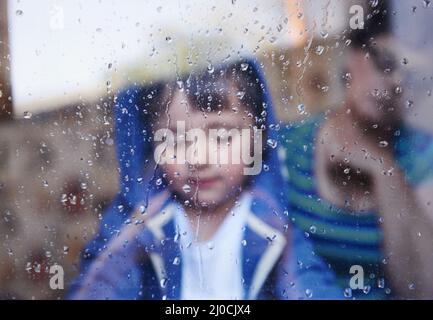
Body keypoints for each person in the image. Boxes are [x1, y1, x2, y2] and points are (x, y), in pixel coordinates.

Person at [68, 58, 341, 299]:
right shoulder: (138, 220)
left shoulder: (270, 222)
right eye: (175, 139)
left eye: (222, 136)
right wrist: (132, 237)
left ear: (257, 140)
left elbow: (309, 287)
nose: (198, 158)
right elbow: (100, 285)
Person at [280, 0, 433, 299]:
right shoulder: (288, 144)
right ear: (352, 56)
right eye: (386, 63)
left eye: (411, 75)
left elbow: (424, 288)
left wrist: (384, 171)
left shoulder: (422, 156)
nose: (396, 82)